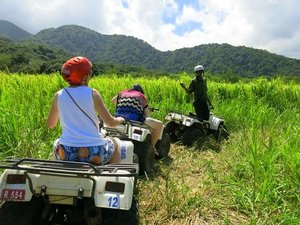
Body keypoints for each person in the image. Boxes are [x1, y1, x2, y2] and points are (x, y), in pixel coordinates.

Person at [47, 56, 125, 165]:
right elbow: (110, 123)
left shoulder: (58, 95)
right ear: (85, 76)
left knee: (57, 143)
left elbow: (50, 124)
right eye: (90, 74)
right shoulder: (92, 93)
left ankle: (60, 173)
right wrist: (120, 120)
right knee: (116, 142)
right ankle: (112, 175)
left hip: (66, 153)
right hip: (94, 153)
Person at [111, 84, 164, 150]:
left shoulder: (122, 93)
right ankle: (152, 147)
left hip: (119, 118)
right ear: (140, 91)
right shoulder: (141, 96)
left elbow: (113, 100)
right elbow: (147, 115)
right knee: (159, 125)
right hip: (134, 119)